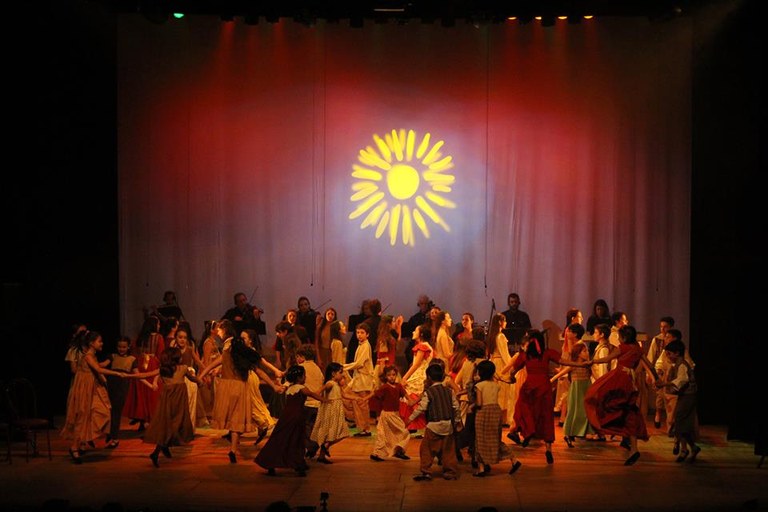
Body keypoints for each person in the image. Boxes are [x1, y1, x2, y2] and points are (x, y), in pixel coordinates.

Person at [197, 319, 282, 463]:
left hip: (226, 387)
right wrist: (274, 386)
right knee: (236, 420)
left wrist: (200, 377)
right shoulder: (240, 355)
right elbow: (259, 371)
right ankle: (233, 450)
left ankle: (235, 446)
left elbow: (211, 365)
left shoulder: (226, 352)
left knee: (233, 419)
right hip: (240, 387)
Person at [580, 324, 661, 466]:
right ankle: (633, 449)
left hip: (619, 379)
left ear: (624, 337)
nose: (618, 338)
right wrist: (657, 379)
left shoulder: (623, 348)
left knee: (600, 398)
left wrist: (592, 361)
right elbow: (650, 365)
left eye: (619, 336)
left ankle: (605, 426)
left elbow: (607, 359)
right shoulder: (637, 349)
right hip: (630, 381)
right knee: (630, 413)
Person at [127, 346, 199, 467]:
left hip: (177, 402)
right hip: (170, 403)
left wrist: (200, 382)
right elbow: (145, 375)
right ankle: (157, 451)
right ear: (175, 358)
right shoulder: (166, 370)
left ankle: (164, 447)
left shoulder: (182, 369)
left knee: (174, 425)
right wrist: (127, 376)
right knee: (170, 426)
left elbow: (192, 378)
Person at [61, 330, 125, 464]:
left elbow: (97, 371)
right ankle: (75, 447)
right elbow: (98, 369)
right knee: (82, 417)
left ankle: (83, 441)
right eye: (99, 341)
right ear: (91, 343)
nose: (102, 343)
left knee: (102, 412)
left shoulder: (92, 356)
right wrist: (117, 374)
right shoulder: (88, 356)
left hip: (92, 388)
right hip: (84, 389)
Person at [254, 365, 325, 477]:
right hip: (296, 417)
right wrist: (325, 400)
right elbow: (313, 394)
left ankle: (271, 462)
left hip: (286, 416)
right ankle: (297, 464)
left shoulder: (289, 388)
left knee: (280, 438)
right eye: (304, 375)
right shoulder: (301, 388)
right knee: (295, 440)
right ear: (299, 378)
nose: (305, 377)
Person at [504, 329, 561, 464]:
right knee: (546, 416)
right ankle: (548, 449)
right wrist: (581, 364)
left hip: (529, 387)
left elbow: (513, 370)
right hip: (544, 386)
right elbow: (564, 361)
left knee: (523, 410)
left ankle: (527, 432)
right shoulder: (547, 353)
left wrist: (511, 378)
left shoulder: (525, 355)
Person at [408, 363, 463, 481]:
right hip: (448, 425)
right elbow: (456, 407)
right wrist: (457, 420)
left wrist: (410, 419)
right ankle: (450, 472)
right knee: (448, 451)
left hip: (434, 425)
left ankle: (426, 471)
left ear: (428, 377)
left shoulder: (429, 392)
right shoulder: (449, 391)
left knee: (427, 449)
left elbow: (421, 408)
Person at [472, 360, 522, 476]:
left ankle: (481, 468)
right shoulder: (495, 385)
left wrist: (472, 406)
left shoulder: (479, 386)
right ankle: (513, 459)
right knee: (495, 439)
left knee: (480, 439)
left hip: (483, 412)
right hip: (495, 411)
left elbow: (479, 403)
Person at [656, 338, 701, 463]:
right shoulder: (677, 365)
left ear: (677, 353)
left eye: (669, 354)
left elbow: (681, 380)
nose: (668, 356)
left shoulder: (682, 365)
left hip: (688, 396)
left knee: (680, 422)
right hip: (684, 396)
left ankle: (685, 449)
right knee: (680, 423)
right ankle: (691, 447)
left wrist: (664, 384)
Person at [655, 328, 697, 443]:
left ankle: (681, 440)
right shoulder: (670, 354)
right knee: (674, 413)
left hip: (685, 394)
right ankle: (681, 442)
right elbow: (660, 363)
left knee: (679, 417)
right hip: (674, 389)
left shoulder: (682, 362)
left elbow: (682, 379)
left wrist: (665, 383)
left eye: (668, 337)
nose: (665, 338)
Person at [124, 315, 164, 432]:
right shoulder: (158, 337)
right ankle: (150, 422)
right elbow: (161, 354)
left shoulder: (139, 337)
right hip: (152, 365)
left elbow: (134, 352)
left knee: (142, 393)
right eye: (158, 324)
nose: (159, 326)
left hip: (140, 364)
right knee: (152, 394)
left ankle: (143, 420)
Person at [559, 323, 596, 447]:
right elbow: (570, 366)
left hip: (583, 383)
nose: (567, 333)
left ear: (574, 334)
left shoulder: (581, 346)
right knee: (575, 409)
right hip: (577, 383)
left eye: (569, 331)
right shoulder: (575, 346)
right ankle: (571, 432)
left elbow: (584, 364)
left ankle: (575, 432)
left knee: (581, 409)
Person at [310, 362, 352, 464]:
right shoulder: (330, 383)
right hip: (331, 411)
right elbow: (319, 391)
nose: (342, 374)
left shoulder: (336, 384)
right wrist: (323, 399)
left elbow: (344, 395)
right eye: (340, 372)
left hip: (337, 411)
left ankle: (323, 453)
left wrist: (358, 398)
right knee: (334, 433)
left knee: (340, 432)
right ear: (333, 373)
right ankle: (325, 448)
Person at [369, 365, 411, 462]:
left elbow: (408, 398)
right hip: (387, 414)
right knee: (383, 434)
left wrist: (419, 399)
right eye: (389, 375)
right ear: (385, 376)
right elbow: (375, 396)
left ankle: (398, 451)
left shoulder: (398, 386)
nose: (392, 377)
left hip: (395, 414)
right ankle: (377, 453)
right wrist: (364, 399)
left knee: (401, 432)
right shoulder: (385, 387)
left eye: (393, 374)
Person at [399, 324, 434, 433]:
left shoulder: (423, 346)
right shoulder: (426, 346)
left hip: (419, 375)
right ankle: (413, 425)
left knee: (412, 398)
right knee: (415, 399)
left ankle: (416, 424)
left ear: (421, 334)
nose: (413, 332)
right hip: (422, 374)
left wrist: (405, 377)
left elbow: (416, 365)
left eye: (416, 331)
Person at [342, 322, 375, 436]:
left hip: (363, 379)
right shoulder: (361, 345)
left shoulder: (365, 345)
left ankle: (365, 428)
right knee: (347, 396)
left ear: (367, 334)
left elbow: (359, 363)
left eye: (362, 333)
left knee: (361, 403)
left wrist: (344, 367)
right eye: (358, 332)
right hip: (358, 377)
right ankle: (356, 422)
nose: (359, 335)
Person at [105, 335, 137, 449]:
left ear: (128, 347)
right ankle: (109, 433)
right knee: (106, 411)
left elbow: (137, 374)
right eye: (119, 346)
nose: (121, 349)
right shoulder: (112, 356)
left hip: (122, 388)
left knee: (116, 412)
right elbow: (102, 365)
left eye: (124, 347)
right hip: (110, 385)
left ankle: (114, 438)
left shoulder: (132, 359)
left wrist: (150, 382)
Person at [296, 344, 324, 459]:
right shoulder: (318, 369)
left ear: (303, 356)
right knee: (313, 427)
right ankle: (313, 446)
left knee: (305, 428)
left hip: (306, 403)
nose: (297, 359)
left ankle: (311, 447)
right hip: (317, 404)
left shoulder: (301, 368)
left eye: (298, 356)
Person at [486, 314, 514, 426]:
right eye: (504, 320)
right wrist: (511, 365)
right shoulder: (500, 336)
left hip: (494, 363)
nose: (506, 323)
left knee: (498, 391)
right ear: (500, 322)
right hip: (501, 364)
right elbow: (504, 354)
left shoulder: (493, 336)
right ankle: (502, 419)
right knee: (503, 392)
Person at [402, 295, 432, 369]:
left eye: (425, 304)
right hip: (416, 342)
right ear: (419, 305)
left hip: (428, 342)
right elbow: (409, 331)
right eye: (421, 304)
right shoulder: (415, 318)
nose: (424, 306)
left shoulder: (431, 317)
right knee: (408, 352)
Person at [375, 314, 403, 380]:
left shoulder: (389, 336)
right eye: (393, 321)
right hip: (386, 367)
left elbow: (398, 339)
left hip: (390, 365)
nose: (394, 323)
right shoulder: (384, 338)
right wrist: (382, 372)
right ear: (388, 324)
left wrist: (399, 326)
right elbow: (382, 356)